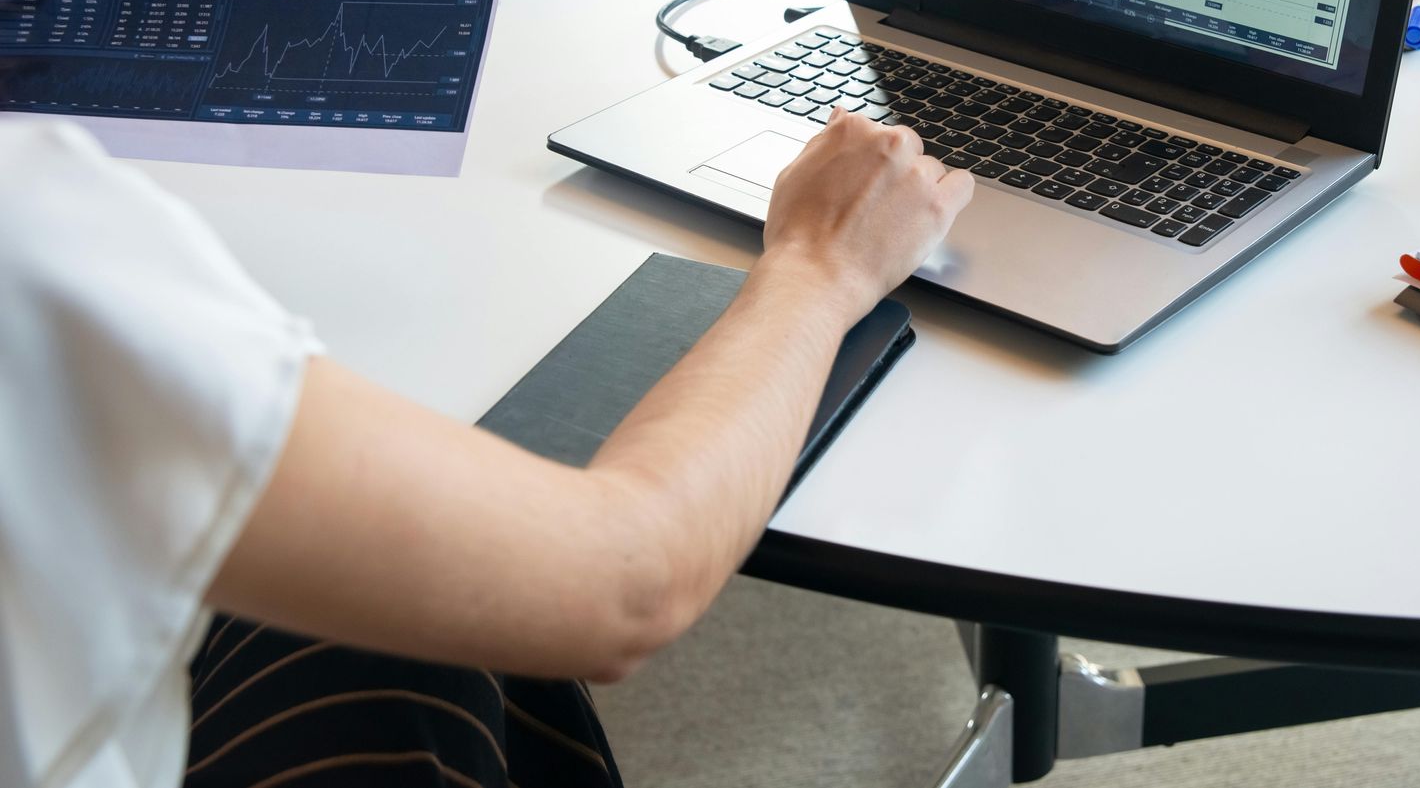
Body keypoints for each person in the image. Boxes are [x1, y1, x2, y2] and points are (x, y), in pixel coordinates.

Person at [0, 109, 973, 788]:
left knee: (391, 573)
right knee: (471, 605)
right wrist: (819, 262)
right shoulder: (34, 242)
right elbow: (625, 583)